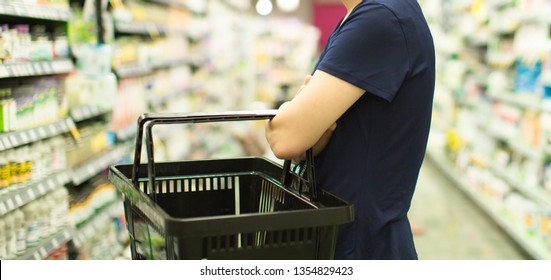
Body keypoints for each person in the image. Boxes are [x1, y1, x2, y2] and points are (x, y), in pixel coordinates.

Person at [265, 0, 435, 260]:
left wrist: (294, 109)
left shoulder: (380, 17)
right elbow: (311, 141)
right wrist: (306, 121)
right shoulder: (361, 16)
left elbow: (285, 138)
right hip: (348, 233)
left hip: (360, 243)